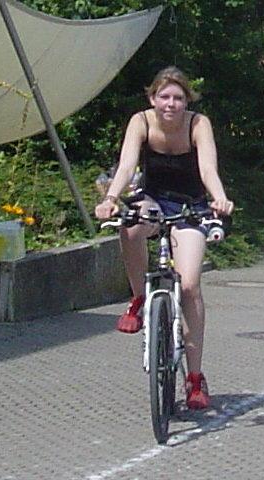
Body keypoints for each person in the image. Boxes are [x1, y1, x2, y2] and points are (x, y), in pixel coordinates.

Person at [95, 66, 234, 410]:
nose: (171, 104)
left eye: (178, 98)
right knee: (130, 227)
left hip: (190, 206)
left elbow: (208, 169)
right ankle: (139, 299)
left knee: (189, 286)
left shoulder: (198, 124)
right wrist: (111, 198)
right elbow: (127, 165)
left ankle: (195, 378)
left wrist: (219, 198)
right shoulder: (140, 122)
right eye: (164, 97)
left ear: (188, 100)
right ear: (152, 98)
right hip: (153, 200)